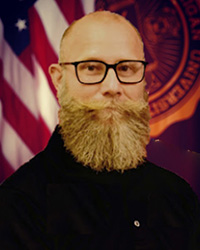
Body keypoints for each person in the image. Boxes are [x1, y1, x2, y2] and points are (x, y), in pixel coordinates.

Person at [0, 11, 199, 250]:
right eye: (92, 68)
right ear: (59, 79)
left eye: (126, 68)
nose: (112, 87)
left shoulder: (177, 195)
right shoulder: (17, 205)